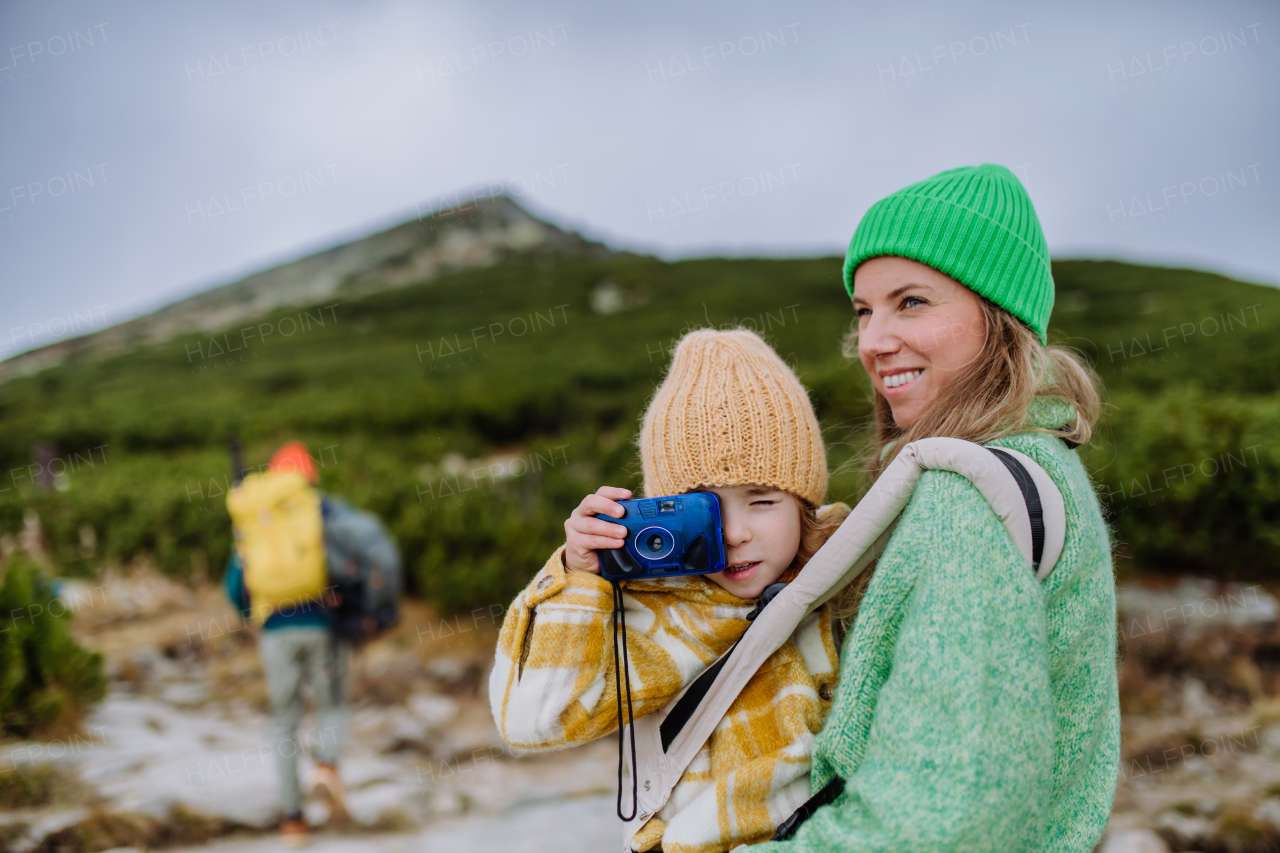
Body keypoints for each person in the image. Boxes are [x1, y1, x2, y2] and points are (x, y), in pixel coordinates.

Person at [757, 164, 1118, 852]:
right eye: (865, 310)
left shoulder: (965, 498)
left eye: (912, 302)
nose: (872, 341)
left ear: (998, 313)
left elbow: (939, 820)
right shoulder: (1045, 459)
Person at [489, 329, 852, 853]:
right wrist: (579, 578)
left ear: (805, 502)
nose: (733, 533)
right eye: (703, 508)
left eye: (762, 501)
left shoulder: (849, 579)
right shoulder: (657, 614)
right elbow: (533, 720)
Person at [224, 441, 348, 847]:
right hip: (319, 623)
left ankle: (293, 820)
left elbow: (234, 586)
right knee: (330, 703)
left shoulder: (256, 520)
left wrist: (254, 615)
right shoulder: (316, 510)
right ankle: (326, 767)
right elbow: (344, 562)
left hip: (275, 628)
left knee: (284, 721)